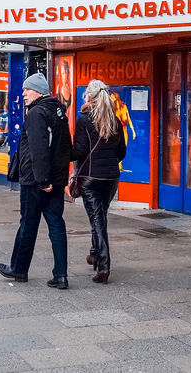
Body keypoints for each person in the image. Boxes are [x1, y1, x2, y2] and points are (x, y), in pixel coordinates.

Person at [0, 73, 72, 289]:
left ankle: (19, 269)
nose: (23, 94)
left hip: (35, 181)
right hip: (56, 180)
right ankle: (61, 275)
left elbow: (38, 150)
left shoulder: (36, 113)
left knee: (28, 225)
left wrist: (42, 180)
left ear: (38, 91)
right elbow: (65, 147)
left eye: (27, 90)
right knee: (56, 225)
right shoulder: (58, 111)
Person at [71, 79, 127, 284]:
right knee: (100, 217)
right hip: (111, 178)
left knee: (97, 220)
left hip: (90, 178)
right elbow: (122, 151)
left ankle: (103, 265)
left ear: (89, 97)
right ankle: (94, 252)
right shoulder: (115, 119)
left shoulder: (84, 120)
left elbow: (79, 151)